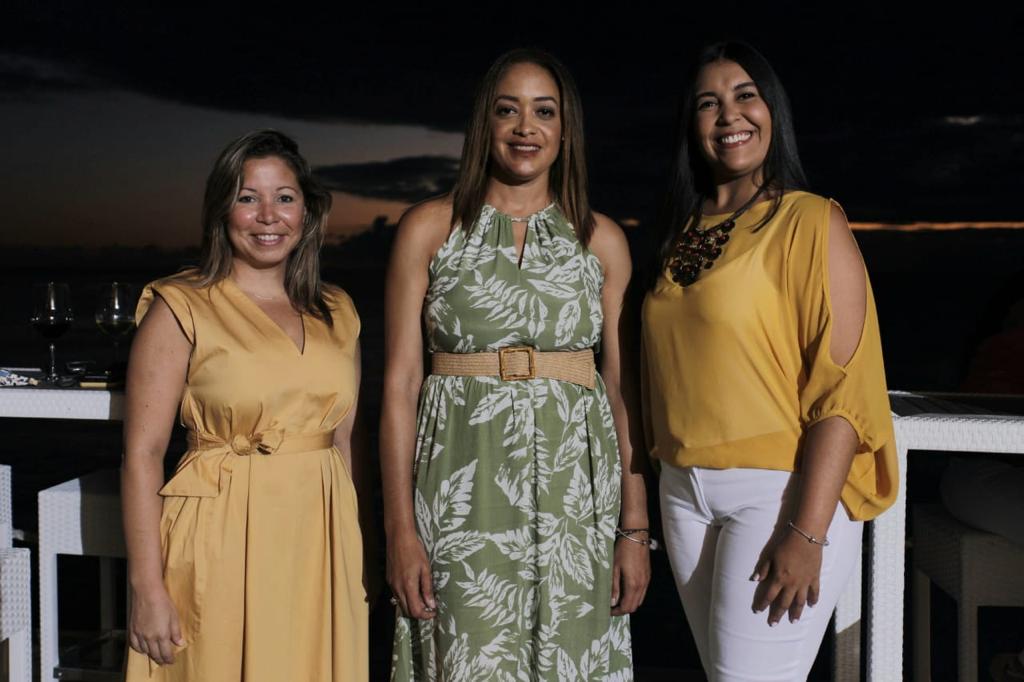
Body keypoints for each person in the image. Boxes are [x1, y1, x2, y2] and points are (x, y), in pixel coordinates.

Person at [382, 48, 650, 680]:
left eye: (544, 111)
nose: (526, 127)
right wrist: (399, 531)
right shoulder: (428, 228)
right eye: (508, 110)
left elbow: (620, 390)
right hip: (460, 491)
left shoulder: (602, 240)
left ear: (565, 130)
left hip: (578, 501)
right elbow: (399, 385)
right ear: (485, 123)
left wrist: (635, 529)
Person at [640, 42, 898, 680]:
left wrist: (807, 533)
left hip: (777, 492)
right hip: (683, 491)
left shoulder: (810, 221)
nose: (729, 114)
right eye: (709, 103)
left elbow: (844, 388)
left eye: (745, 95)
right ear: (691, 125)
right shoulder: (680, 233)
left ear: (772, 110)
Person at [122, 130, 369, 681]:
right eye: (247, 197)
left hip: (318, 540)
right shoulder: (180, 305)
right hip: (221, 532)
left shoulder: (338, 311)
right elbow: (142, 454)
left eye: (284, 197)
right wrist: (147, 588)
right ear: (221, 210)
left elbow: (343, 442)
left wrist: (353, 553)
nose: (268, 216)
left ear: (306, 211)